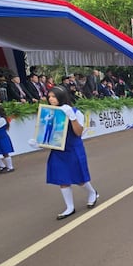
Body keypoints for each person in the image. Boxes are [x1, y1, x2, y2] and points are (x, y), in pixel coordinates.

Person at [44, 86, 99, 220]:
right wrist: (39, 142)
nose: (51, 99)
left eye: (53, 96)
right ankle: (69, 207)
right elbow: (48, 133)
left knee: (79, 178)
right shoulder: (50, 113)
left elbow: (78, 132)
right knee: (62, 178)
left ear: (61, 97)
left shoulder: (74, 111)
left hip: (73, 148)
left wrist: (72, 117)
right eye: (49, 96)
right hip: (58, 150)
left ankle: (92, 193)